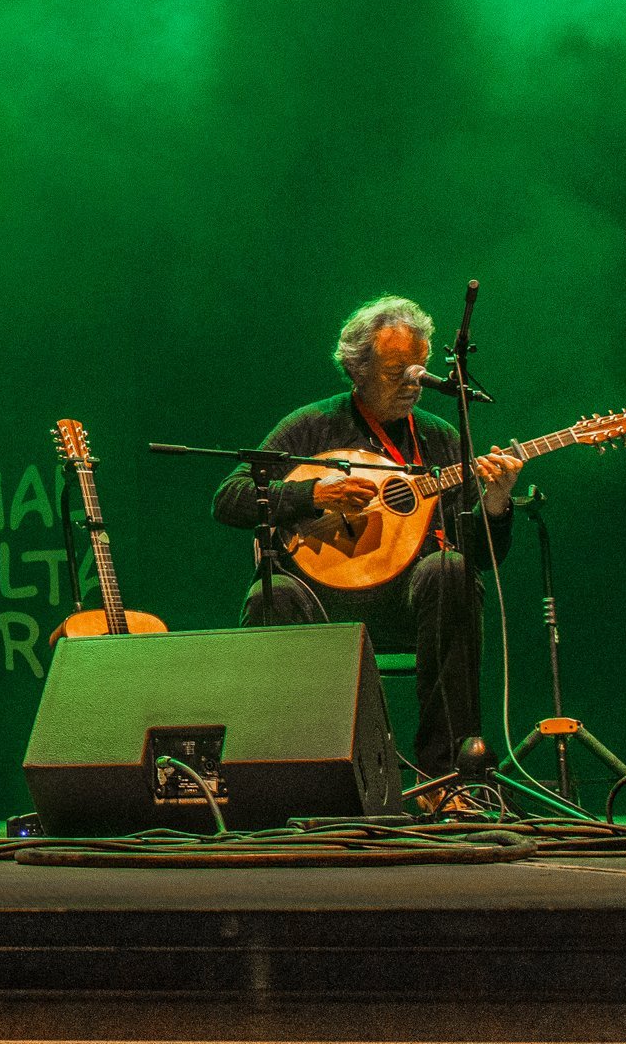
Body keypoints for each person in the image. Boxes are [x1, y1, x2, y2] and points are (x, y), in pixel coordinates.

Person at [211, 295, 522, 779]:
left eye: (419, 369)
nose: (412, 383)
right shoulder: (311, 428)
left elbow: (482, 558)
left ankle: (447, 777)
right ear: (357, 368)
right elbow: (228, 499)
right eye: (395, 369)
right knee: (270, 595)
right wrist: (314, 493)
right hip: (318, 599)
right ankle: (279, 777)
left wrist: (496, 503)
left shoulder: (442, 439)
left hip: (405, 606)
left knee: (452, 571)